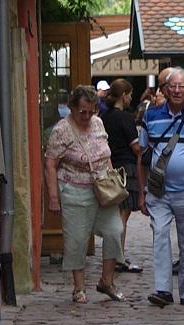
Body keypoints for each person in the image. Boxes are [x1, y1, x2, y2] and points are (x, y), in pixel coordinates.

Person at [44, 85, 126, 304]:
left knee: (114, 231)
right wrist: (53, 197)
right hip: (74, 189)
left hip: (103, 189)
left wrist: (112, 179)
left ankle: (106, 281)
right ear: (72, 107)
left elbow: (105, 152)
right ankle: (78, 287)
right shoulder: (62, 130)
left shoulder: (98, 123)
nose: (87, 116)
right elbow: (51, 164)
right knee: (77, 239)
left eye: (91, 111)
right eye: (83, 111)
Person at [137, 67, 184, 307]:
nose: (177, 90)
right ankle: (163, 289)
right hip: (158, 189)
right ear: (165, 90)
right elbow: (143, 154)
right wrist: (142, 191)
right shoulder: (151, 116)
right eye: (172, 86)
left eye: (181, 86)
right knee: (160, 236)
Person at [101, 78, 143, 274]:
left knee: (115, 216)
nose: (131, 98)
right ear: (124, 95)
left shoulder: (104, 116)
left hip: (110, 168)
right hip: (126, 168)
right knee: (122, 217)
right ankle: (118, 257)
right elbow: (136, 147)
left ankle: (115, 256)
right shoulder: (125, 117)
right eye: (130, 94)